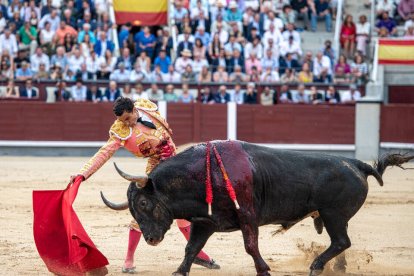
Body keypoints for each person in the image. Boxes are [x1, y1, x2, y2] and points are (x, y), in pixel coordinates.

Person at [70, 98, 220, 273]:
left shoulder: (146, 106)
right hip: (156, 171)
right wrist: (83, 173)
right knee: (145, 210)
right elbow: (103, 153)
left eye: (128, 118)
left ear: (134, 109)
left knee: (182, 210)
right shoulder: (120, 131)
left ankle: (198, 254)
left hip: (176, 165)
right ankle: (128, 260)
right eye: (122, 121)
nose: (126, 123)